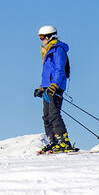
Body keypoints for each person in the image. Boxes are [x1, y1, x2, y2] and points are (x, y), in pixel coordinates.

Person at [33, 24, 77, 154]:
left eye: (42, 37)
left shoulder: (58, 50)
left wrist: (54, 85)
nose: (41, 40)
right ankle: (53, 142)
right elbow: (47, 73)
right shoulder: (47, 50)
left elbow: (59, 70)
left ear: (49, 36)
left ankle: (63, 142)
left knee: (54, 114)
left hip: (55, 87)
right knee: (46, 116)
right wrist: (42, 87)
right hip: (48, 87)